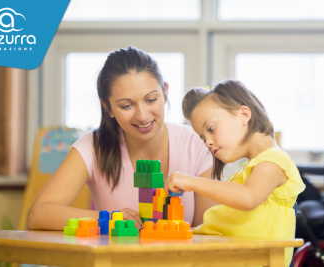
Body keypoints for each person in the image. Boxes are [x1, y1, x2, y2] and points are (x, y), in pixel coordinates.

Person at [27, 46, 217, 230]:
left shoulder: (196, 144)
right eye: (126, 105)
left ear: (165, 92)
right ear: (107, 106)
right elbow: (38, 215)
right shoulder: (93, 147)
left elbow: (209, 231)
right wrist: (112, 219)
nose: (142, 116)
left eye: (151, 100)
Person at [164, 79, 306, 267]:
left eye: (211, 129)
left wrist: (191, 182)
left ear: (243, 115)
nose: (207, 142)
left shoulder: (274, 161)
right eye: (203, 137)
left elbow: (248, 198)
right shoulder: (246, 170)